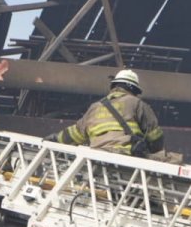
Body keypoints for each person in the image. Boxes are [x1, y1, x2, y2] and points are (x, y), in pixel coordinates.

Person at [45, 69, 177, 161]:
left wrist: (55, 139)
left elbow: (75, 134)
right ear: (133, 89)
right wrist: (153, 153)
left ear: (113, 86)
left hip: (97, 158)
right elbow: (155, 136)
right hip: (128, 158)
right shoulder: (138, 104)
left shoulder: (95, 107)